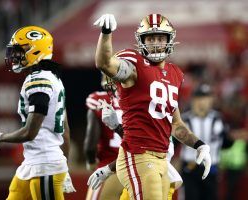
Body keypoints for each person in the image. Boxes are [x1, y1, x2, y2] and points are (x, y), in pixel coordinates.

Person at [93, 13, 211, 200]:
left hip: (162, 158)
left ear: (169, 40)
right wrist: (106, 33)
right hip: (139, 154)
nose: (155, 43)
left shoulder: (174, 73)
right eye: (150, 39)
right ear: (142, 41)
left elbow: (177, 124)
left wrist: (199, 145)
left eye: (160, 38)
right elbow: (105, 63)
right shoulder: (134, 66)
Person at [0, 26, 75, 200]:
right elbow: (65, 131)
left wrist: (1, 137)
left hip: (45, 165)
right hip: (34, 163)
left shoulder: (39, 81)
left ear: (35, 51)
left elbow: (30, 132)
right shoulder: (53, 78)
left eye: (20, 51)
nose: (14, 56)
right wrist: (64, 165)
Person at [87, 101, 183, 200]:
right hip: (144, 174)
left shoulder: (150, 120)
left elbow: (139, 152)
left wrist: (107, 169)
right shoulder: (155, 119)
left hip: (150, 176)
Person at [179, 83, 227, 200]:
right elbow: (174, 143)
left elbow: (225, 142)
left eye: (206, 98)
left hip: (212, 168)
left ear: (211, 100)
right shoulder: (185, 119)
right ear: (193, 100)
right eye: (199, 98)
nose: (203, 101)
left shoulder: (217, 119)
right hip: (190, 167)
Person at [84, 73, 126, 200]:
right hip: (137, 169)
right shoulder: (139, 102)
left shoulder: (99, 100)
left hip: (108, 169)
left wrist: (91, 161)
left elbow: (90, 145)